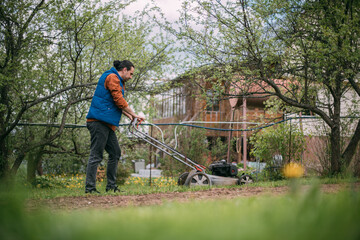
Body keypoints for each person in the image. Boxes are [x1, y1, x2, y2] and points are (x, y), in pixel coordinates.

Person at [85, 60, 145, 193]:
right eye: (131, 73)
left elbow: (114, 101)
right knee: (96, 155)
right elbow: (118, 99)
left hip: (106, 124)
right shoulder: (112, 77)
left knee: (115, 152)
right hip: (98, 122)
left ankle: (111, 186)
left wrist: (129, 115)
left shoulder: (117, 79)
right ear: (124, 69)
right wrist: (134, 114)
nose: (131, 77)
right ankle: (90, 188)